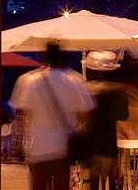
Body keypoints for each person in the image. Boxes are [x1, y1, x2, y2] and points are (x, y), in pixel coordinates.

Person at [9, 43, 94, 190]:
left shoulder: (29, 80)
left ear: (44, 58)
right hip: (63, 149)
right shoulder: (75, 80)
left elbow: (21, 116)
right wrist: (78, 134)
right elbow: (85, 116)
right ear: (63, 58)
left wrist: (21, 146)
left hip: (37, 148)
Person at [82, 82, 131, 190]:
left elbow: (82, 117)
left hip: (93, 145)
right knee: (110, 180)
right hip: (109, 145)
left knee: (94, 181)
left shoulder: (89, 93)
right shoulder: (118, 94)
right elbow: (124, 116)